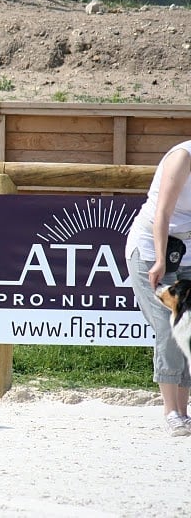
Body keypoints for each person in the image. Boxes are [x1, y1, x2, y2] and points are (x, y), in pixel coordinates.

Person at [125, 140, 191, 436]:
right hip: (153, 248)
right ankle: (171, 411)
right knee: (169, 325)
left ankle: (184, 411)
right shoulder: (182, 157)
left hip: (188, 248)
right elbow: (163, 213)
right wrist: (161, 261)